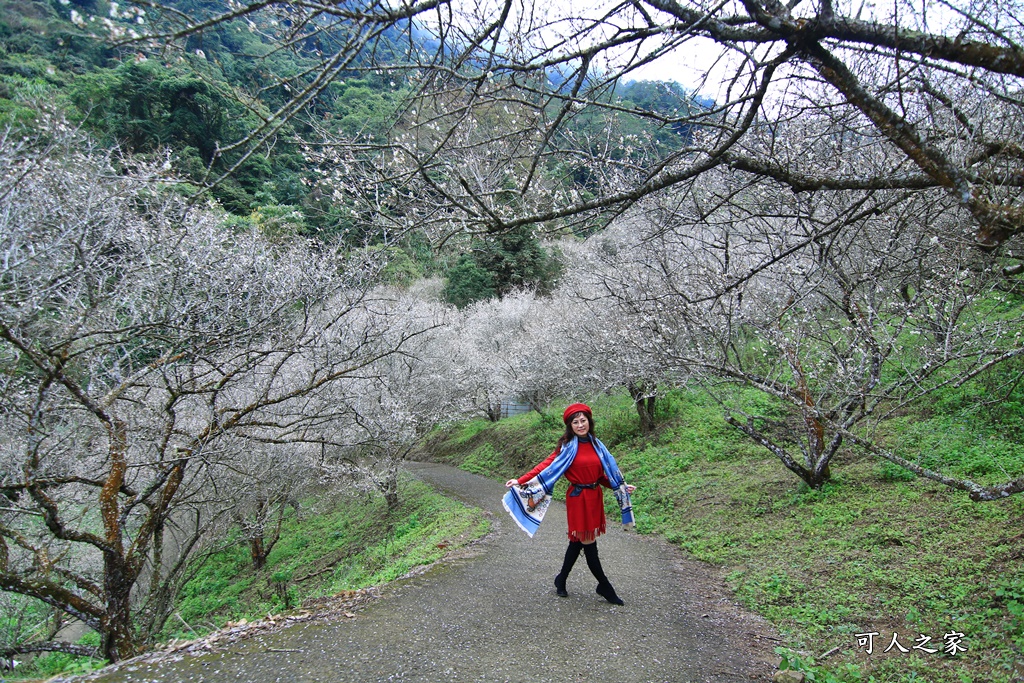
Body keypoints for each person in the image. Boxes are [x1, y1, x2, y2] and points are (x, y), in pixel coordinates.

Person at [503, 403, 636, 605]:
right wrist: (521, 480)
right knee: (589, 543)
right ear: (570, 425)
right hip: (577, 498)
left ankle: (561, 579)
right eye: (576, 422)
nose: (580, 425)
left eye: (583, 421)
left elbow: (601, 476)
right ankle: (605, 586)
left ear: (589, 422)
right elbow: (544, 467)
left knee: (577, 541)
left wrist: (621, 487)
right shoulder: (566, 448)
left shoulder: (598, 446)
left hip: (594, 498)